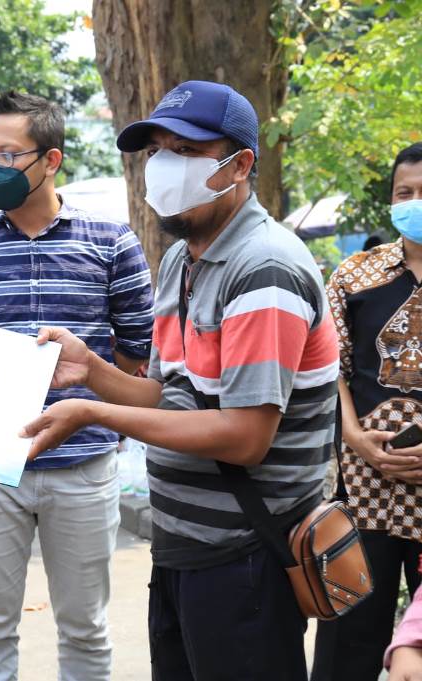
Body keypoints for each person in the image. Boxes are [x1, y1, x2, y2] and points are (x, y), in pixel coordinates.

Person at [21, 81, 339, 680]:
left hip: (246, 555)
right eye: (157, 151)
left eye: (187, 151)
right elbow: (175, 398)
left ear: (239, 165)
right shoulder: (182, 257)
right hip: (186, 548)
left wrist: (94, 414)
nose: (164, 167)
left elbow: (245, 437)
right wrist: (92, 372)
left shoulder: (263, 267)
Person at [0, 90, 154, 681]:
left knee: (86, 628)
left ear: (51, 160)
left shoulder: (111, 242)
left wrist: (92, 392)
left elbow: (135, 353)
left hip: (84, 467)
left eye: (7, 156)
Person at [310, 142, 422, 680]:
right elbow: (327, 366)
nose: (415, 202)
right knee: (346, 646)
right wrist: (353, 436)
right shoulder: (354, 276)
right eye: (406, 192)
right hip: (364, 489)